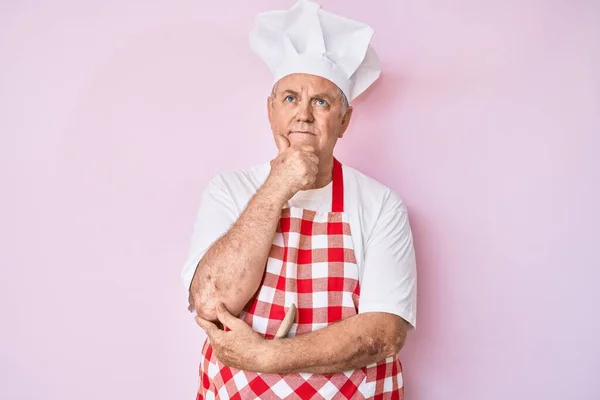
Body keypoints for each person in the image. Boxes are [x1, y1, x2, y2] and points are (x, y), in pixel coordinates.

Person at [181, 0, 417, 398]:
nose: (303, 115)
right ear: (270, 111)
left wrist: (266, 356)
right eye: (290, 98)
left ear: (344, 121)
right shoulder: (229, 190)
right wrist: (279, 184)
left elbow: (385, 332)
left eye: (321, 102)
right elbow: (210, 301)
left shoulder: (381, 205)